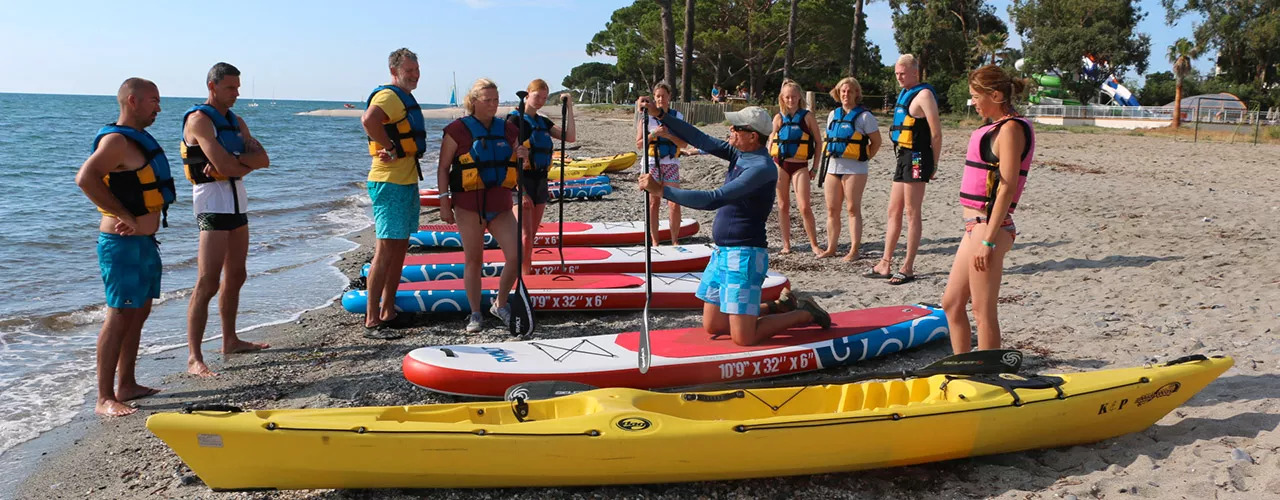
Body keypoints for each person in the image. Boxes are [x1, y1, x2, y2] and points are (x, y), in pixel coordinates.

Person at [636, 99, 831, 347]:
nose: (731, 130)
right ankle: (779, 306)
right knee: (713, 325)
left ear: (752, 136)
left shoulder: (762, 168)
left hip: (745, 256)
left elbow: (714, 199)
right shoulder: (738, 153)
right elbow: (700, 139)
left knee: (743, 338)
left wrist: (662, 190)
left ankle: (804, 312)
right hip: (721, 253)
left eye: (736, 128)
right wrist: (660, 114)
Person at [75, 78, 176, 416]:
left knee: (139, 312)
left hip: (144, 243)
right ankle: (104, 398)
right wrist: (122, 213)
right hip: (121, 244)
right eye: (153, 100)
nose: (158, 107)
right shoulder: (116, 140)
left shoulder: (139, 140)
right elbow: (85, 178)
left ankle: (127, 384)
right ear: (132, 101)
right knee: (119, 315)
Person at [182, 63, 271, 376]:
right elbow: (225, 163)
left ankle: (229, 340)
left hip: (237, 202)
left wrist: (236, 165)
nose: (236, 94)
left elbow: (264, 159)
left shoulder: (237, 121)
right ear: (212, 87)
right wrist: (237, 164)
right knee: (207, 281)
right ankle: (194, 357)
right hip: (211, 204)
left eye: (237, 87)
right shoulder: (199, 121)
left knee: (237, 274)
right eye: (230, 88)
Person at [941, 65, 1035, 354]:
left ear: (994, 95)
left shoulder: (1010, 129)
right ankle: (964, 369)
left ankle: (988, 377)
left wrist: (988, 240)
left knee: (982, 311)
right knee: (952, 304)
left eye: (975, 96)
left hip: (989, 227)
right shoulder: (995, 127)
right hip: (975, 227)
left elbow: (1005, 187)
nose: (973, 102)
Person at [438, 78, 527, 333]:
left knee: (516, 254)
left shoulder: (508, 130)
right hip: (468, 205)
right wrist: (444, 203)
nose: (493, 104)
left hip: (500, 204)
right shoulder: (457, 130)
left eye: (496, 100)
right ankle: (475, 313)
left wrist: (524, 156)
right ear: (474, 101)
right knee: (474, 260)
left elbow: (518, 165)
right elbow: (443, 167)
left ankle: (500, 303)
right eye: (487, 100)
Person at [360, 48, 425, 338]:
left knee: (399, 249)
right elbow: (369, 120)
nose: (414, 75)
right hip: (388, 183)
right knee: (385, 251)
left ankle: (388, 310)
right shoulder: (388, 95)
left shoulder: (403, 98)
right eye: (408, 70)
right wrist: (390, 147)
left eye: (416, 69)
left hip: (405, 181)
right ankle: (372, 319)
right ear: (394, 72)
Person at [866, 54, 941, 285]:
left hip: (918, 157)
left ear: (914, 72)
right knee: (893, 210)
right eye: (896, 73)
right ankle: (885, 263)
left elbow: (936, 133)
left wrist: (934, 164)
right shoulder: (904, 94)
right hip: (903, 156)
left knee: (912, 211)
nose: (898, 77)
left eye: (902, 73)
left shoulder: (924, 95)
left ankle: (907, 267)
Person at [509, 79, 575, 274]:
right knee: (525, 237)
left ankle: (524, 272)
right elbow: (508, 156)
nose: (540, 101)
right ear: (528, 94)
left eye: (545, 98)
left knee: (531, 236)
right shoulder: (514, 121)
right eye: (537, 96)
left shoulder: (542, 122)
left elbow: (569, 137)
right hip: (520, 182)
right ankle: (522, 277)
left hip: (540, 182)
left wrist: (569, 107)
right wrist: (520, 190)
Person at [818, 76, 881, 261]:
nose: (846, 94)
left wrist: (864, 157)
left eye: (850, 91)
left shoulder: (865, 116)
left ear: (856, 94)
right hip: (833, 166)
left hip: (855, 168)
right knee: (832, 209)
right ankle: (831, 247)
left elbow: (876, 142)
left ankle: (854, 250)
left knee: (852, 208)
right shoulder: (833, 114)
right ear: (838, 93)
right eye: (843, 91)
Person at [768, 79, 821, 255]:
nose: (790, 100)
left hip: (800, 166)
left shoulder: (808, 117)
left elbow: (819, 144)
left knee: (804, 206)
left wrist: (815, 168)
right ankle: (786, 245)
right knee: (782, 205)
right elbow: (771, 142)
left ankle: (814, 244)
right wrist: (767, 165)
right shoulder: (778, 118)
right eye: (787, 97)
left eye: (793, 97)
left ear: (799, 97)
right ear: (782, 98)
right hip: (780, 165)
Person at [635, 82, 687, 245]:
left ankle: (674, 241)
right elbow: (639, 144)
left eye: (663, 96)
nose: (660, 99)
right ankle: (655, 241)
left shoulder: (677, 117)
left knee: (674, 203)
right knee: (653, 203)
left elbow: (684, 144)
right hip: (651, 163)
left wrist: (669, 136)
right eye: (657, 96)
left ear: (670, 97)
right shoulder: (646, 118)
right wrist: (654, 133)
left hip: (671, 163)